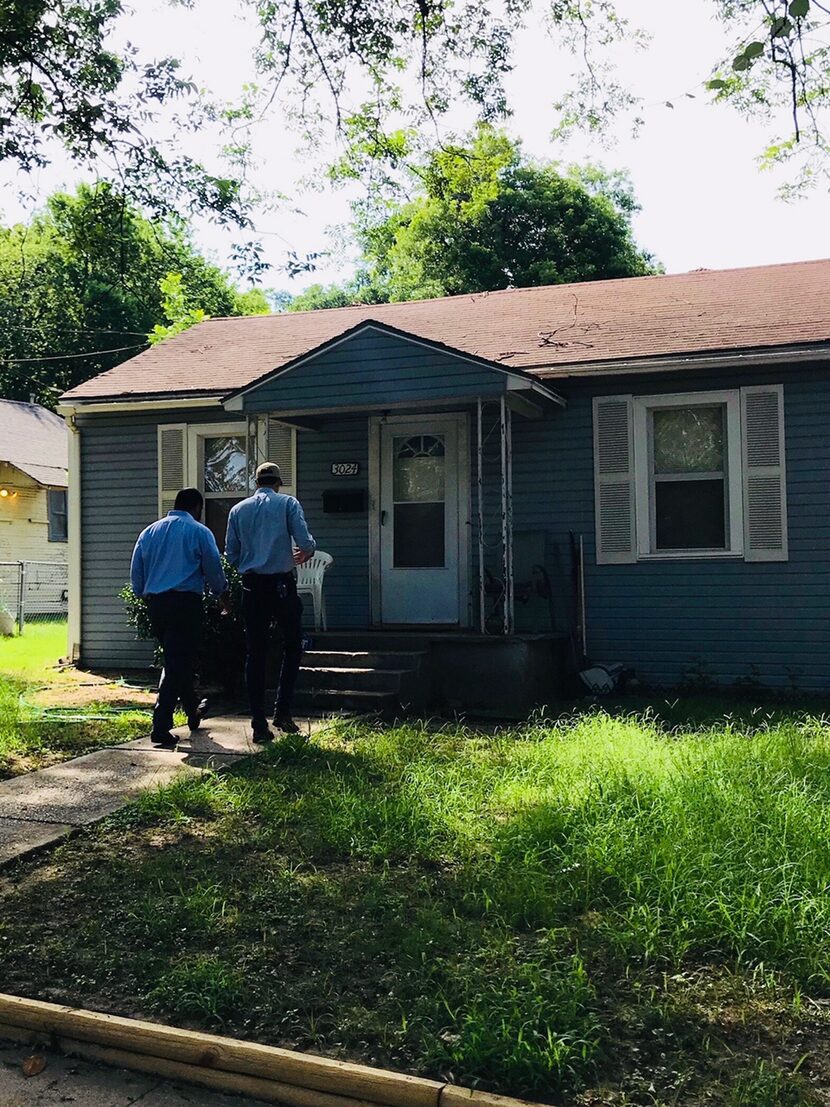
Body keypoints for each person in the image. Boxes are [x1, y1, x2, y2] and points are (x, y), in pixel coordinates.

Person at [130, 487, 228, 748]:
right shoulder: (199, 532)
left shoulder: (149, 532)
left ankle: (193, 710)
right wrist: (222, 594)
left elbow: (136, 573)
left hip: (157, 605)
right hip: (185, 604)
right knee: (176, 662)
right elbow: (214, 569)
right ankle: (160, 727)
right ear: (197, 507)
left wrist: (144, 593)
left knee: (176, 659)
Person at [225, 462, 315, 741]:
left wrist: (251, 563)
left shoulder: (238, 510)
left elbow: (231, 554)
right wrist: (305, 552)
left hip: (252, 586)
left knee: (256, 652)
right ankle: (283, 710)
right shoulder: (288, 503)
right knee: (292, 645)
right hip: (281, 585)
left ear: (256, 482)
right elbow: (305, 542)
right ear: (278, 482)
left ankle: (257, 721)